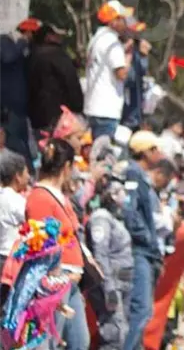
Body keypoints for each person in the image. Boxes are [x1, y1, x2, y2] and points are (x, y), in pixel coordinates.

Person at [25, 138, 88, 350]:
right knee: (49, 343)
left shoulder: (59, 196)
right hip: (55, 281)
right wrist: (55, 276)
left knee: (79, 342)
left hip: (69, 281)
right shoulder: (41, 197)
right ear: (67, 166)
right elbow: (41, 243)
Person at [122, 129, 163, 350]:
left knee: (142, 311)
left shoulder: (140, 175)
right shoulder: (133, 174)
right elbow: (130, 212)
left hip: (145, 251)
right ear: (144, 152)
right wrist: (146, 238)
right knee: (141, 310)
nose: (159, 153)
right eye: (155, 149)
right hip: (139, 251)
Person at [88, 173, 134, 350]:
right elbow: (100, 255)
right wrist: (109, 289)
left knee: (121, 332)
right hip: (110, 285)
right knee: (114, 334)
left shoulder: (114, 218)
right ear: (113, 195)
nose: (126, 196)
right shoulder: (101, 218)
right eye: (122, 191)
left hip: (121, 283)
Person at [85, 0, 135, 142]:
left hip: (94, 106)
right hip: (107, 110)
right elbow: (121, 74)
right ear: (113, 21)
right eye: (122, 18)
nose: (125, 22)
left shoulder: (96, 39)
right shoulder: (112, 42)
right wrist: (129, 54)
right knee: (103, 157)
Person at [26, 22, 83, 140]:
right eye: (56, 35)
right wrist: (78, 107)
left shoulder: (30, 55)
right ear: (48, 37)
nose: (60, 38)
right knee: (57, 149)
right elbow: (70, 81)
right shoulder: (57, 55)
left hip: (33, 113)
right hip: (57, 115)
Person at [0, 18, 39, 165]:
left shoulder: (25, 50)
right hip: (8, 106)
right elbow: (8, 57)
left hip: (20, 106)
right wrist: (23, 42)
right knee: (17, 146)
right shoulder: (5, 41)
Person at [0, 149, 29, 272]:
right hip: (10, 259)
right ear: (17, 176)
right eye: (27, 172)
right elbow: (32, 219)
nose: (28, 177)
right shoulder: (16, 201)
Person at [121, 20, 150, 131]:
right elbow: (126, 78)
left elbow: (142, 72)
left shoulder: (137, 50)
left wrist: (144, 55)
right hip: (122, 112)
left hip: (135, 111)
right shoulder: (120, 48)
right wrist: (127, 50)